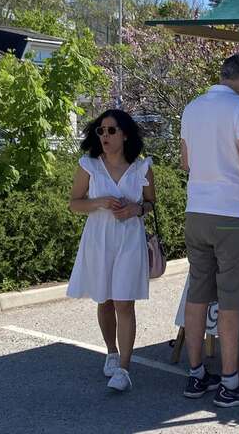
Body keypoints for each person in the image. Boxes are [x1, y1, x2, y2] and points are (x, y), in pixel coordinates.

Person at [180, 54, 239, 407]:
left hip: (196, 211)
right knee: (231, 299)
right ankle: (230, 384)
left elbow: (186, 163)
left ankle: (196, 374)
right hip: (229, 213)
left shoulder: (192, 108)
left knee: (197, 293)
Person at [67, 109, 156, 392]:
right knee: (104, 299)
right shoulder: (89, 165)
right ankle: (111, 351)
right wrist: (100, 202)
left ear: (125, 134)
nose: (105, 136)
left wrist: (136, 209)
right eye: (101, 131)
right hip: (98, 239)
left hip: (130, 240)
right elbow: (74, 203)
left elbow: (151, 203)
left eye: (111, 131)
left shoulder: (142, 167)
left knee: (124, 302)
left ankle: (125, 369)